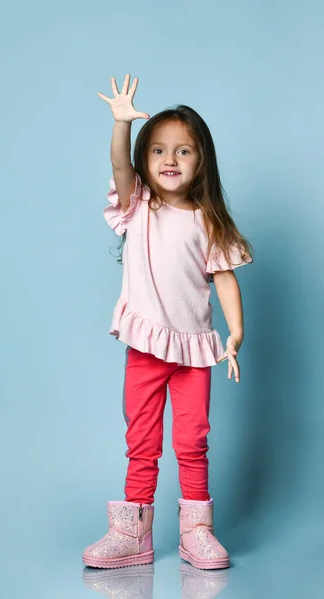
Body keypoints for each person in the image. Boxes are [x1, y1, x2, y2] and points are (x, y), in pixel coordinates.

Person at [82, 75, 254, 571]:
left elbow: (224, 281)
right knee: (142, 438)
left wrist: (235, 333)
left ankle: (197, 530)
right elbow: (119, 164)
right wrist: (121, 125)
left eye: (183, 151)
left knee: (193, 438)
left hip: (195, 350)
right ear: (144, 162)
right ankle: (131, 533)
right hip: (146, 348)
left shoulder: (208, 221)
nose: (170, 160)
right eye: (158, 150)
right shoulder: (137, 206)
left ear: (202, 161)